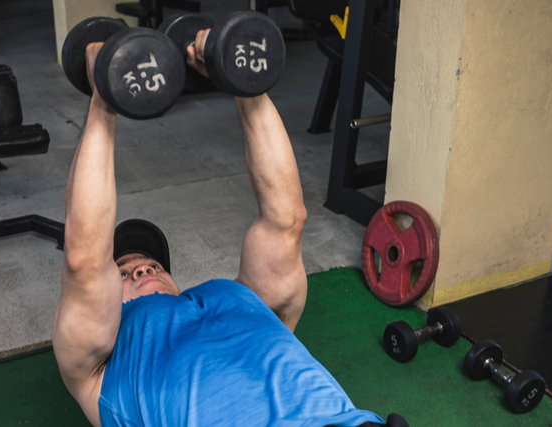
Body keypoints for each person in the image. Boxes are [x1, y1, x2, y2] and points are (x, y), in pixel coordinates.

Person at [52, 28, 395, 427]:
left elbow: (284, 218)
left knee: (289, 224)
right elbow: (84, 257)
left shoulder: (244, 299)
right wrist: (104, 98)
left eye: (151, 265)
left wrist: (241, 79)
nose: (144, 269)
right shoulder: (98, 368)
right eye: (125, 273)